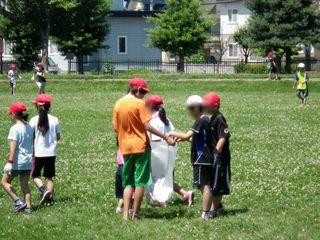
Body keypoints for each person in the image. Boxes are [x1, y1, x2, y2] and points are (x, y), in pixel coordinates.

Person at [112, 78, 174, 221]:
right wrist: (165, 137)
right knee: (140, 181)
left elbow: (115, 128)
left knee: (128, 182)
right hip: (141, 147)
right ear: (138, 90)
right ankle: (136, 214)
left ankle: (125, 215)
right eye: (143, 92)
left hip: (125, 148)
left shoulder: (118, 103)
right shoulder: (139, 103)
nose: (144, 96)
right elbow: (147, 126)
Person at [166, 95, 215, 220]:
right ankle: (208, 211)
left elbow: (187, 135)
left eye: (191, 109)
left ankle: (205, 213)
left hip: (201, 159)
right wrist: (179, 139)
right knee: (205, 185)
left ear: (196, 108)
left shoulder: (201, 120)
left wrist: (172, 133)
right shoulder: (206, 120)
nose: (190, 112)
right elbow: (193, 138)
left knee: (204, 186)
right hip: (207, 158)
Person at [146, 95, 194, 207]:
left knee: (157, 178)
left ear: (150, 106)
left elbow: (155, 141)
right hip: (171, 153)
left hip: (158, 154)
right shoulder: (166, 119)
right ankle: (185, 194)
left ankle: (160, 200)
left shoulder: (152, 121)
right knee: (167, 178)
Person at [203, 92, 231, 218]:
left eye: (207, 106)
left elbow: (223, 136)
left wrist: (217, 151)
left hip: (220, 157)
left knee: (218, 183)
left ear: (215, 106)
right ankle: (216, 206)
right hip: (214, 155)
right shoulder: (211, 118)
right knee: (212, 182)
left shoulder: (220, 118)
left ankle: (213, 210)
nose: (205, 108)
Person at [1, 102, 33, 213]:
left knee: (4, 182)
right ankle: (28, 209)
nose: (9, 115)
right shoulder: (28, 126)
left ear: (14, 114)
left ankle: (18, 202)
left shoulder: (15, 128)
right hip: (28, 161)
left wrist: (10, 162)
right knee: (25, 185)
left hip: (18, 162)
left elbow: (13, 146)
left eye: (10, 113)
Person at [29, 94, 61, 205]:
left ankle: (43, 190)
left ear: (38, 106)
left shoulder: (33, 120)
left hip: (38, 153)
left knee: (34, 175)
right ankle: (50, 199)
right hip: (51, 153)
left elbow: (30, 136)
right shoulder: (55, 119)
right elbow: (58, 136)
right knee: (49, 177)